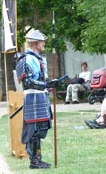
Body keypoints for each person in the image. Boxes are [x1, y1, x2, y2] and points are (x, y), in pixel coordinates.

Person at [15, 30, 59, 169]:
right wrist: (45, 84)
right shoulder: (26, 59)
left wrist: (51, 84)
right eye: (41, 42)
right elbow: (27, 82)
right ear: (35, 43)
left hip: (41, 96)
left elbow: (41, 80)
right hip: (33, 97)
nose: (44, 44)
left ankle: (38, 159)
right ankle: (34, 161)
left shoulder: (39, 58)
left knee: (40, 129)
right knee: (33, 130)